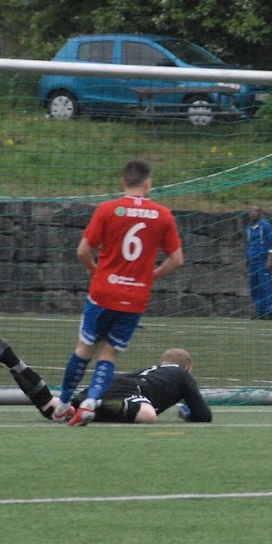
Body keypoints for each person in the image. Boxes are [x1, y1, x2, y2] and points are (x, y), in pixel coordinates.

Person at [50, 159, 184, 427]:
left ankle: (64, 404)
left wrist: (93, 269)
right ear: (148, 184)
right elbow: (177, 259)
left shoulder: (108, 209)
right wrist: (151, 276)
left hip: (104, 291)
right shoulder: (163, 215)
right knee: (109, 353)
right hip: (135, 297)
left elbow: (82, 251)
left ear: (123, 182)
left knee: (85, 348)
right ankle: (90, 404)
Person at [0, 338, 211, 423]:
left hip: (112, 387)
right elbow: (204, 415)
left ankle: (10, 358)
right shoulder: (181, 374)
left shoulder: (154, 371)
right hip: (127, 392)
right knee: (148, 415)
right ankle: (89, 406)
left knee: (56, 411)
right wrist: (186, 412)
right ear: (187, 367)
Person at [245, 205, 272, 319]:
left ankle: (269, 310)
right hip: (252, 261)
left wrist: (269, 259)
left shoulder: (266, 226)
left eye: (256, 211)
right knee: (254, 287)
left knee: (265, 286)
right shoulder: (249, 227)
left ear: (260, 213)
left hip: (262, 261)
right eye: (251, 211)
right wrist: (247, 258)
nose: (253, 213)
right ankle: (260, 311)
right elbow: (249, 244)